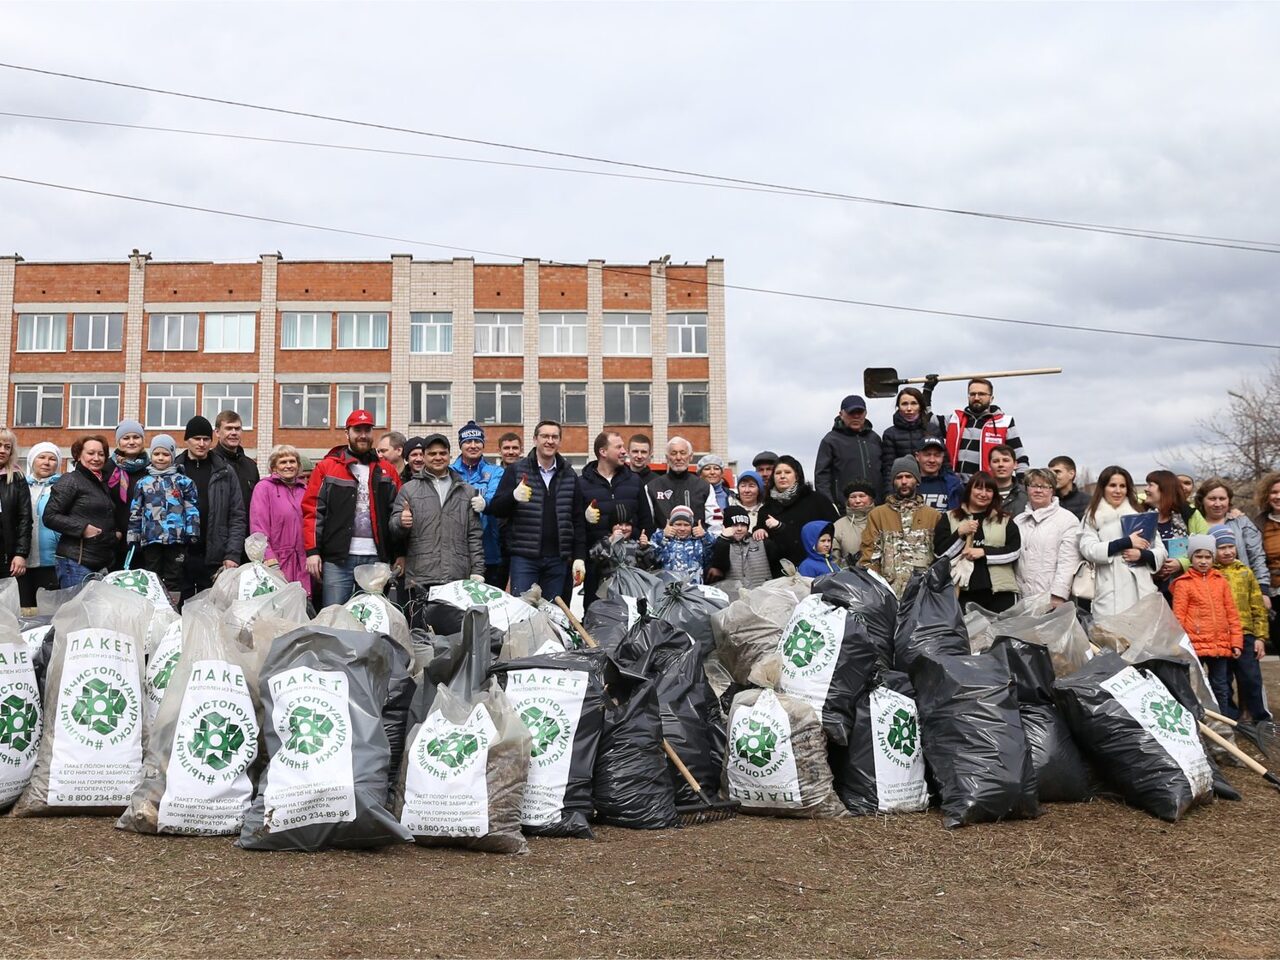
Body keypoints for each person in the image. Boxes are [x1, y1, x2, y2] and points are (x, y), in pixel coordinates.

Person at [303, 409, 404, 608]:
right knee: (334, 616)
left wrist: (400, 553)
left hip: (377, 558)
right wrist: (312, 551)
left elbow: (397, 514)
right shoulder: (327, 467)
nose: (363, 435)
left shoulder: (387, 470)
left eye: (367, 430)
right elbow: (313, 511)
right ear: (347, 433)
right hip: (338, 560)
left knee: (370, 618)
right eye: (357, 430)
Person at [485, 419, 585, 601]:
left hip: (558, 560)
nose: (550, 441)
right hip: (524, 559)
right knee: (523, 615)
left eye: (555, 437)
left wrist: (579, 556)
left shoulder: (569, 474)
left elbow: (577, 519)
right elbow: (496, 508)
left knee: (554, 616)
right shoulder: (516, 470)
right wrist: (513, 497)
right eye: (545, 436)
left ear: (560, 441)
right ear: (535, 439)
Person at [392, 433, 484, 592]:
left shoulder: (467, 491)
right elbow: (393, 530)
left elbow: (474, 535)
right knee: (419, 618)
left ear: (450, 455)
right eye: (432, 453)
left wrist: (478, 571)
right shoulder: (409, 489)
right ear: (425, 457)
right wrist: (400, 521)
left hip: (457, 577)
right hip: (420, 577)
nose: (438, 457)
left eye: (442, 453)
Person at [1078, 465, 1166, 617]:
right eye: (1112, 485)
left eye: (1122, 486)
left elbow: (1161, 551)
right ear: (1103, 488)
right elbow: (1089, 549)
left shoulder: (1140, 515)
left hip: (1141, 592)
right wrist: (1126, 542)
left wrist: (1142, 555)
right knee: (1109, 639)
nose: (1118, 491)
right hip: (1109, 594)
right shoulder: (1092, 517)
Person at [176, 415, 247, 600]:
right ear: (186, 440)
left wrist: (232, 554)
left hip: (215, 557)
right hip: (180, 557)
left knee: (214, 615)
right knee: (179, 614)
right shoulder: (174, 470)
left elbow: (237, 515)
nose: (201, 443)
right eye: (196, 439)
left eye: (206, 439)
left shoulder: (224, 471)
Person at [1171, 533, 1242, 714]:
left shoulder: (1221, 581)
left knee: (1221, 686)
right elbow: (1178, 616)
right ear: (1191, 557)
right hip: (1195, 645)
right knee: (1194, 687)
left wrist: (1236, 642)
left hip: (1219, 645)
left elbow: (1231, 613)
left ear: (1213, 557)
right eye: (1198, 556)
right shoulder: (1183, 584)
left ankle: (1223, 723)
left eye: (1207, 557)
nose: (1203, 561)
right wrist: (1179, 644)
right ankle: (1200, 723)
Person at [579, 431, 649, 610]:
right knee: (596, 613)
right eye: (618, 447)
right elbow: (575, 524)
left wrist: (634, 538)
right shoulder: (581, 484)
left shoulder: (634, 481)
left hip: (631, 564)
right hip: (597, 564)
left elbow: (645, 520)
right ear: (603, 452)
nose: (624, 451)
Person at [934, 471, 1022, 612]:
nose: (983, 494)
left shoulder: (1004, 520)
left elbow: (1014, 551)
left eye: (988, 490)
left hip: (1000, 592)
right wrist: (960, 534)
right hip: (962, 592)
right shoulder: (949, 517)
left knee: (1001, 633)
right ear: (969, 490)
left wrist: (983, 552)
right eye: (978, 488)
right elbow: (939, 555)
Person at [127, 435, 200, 606]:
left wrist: (193, 531)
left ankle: (172, 609)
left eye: (166, 454)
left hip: (176, 538)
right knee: (152, 575)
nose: (160, 458)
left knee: (174, 576)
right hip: (151, 538)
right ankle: (154, 606)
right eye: (157, 454)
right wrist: (133, 536)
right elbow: (135, 511)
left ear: (173, 456)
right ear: (151, 455)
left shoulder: (183, 482)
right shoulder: (143, 483)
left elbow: (191, 508)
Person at [1211, 525, 1271, 724]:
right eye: (1222, 548)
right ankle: (1231, 716)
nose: (1227, 551)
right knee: (1222, 679)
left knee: (1251, 678)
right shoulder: (1210, 574)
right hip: (1220, 636)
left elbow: (1257, 607)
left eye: (1231, 546)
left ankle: (1260, 717)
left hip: (1245, 634)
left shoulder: (1245, 573)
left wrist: (1260, 637)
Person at [42, 435, 118, 588]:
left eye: (101, 454)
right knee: (75, 611)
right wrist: (82, 529)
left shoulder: (101, 483)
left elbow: (100, 514)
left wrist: (114, 532)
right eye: (91, 453)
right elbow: (50, 516)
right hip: (76, 562)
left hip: (99, 562)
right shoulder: (70, 480)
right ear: (78, 455)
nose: (96, 458)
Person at [861, 457, 941, 597]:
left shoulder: (933, 516)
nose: (904, 481)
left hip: (924, 596)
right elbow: (869, 557)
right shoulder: (878, 515)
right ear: (893, 481)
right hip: (888, 595)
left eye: (909, 476)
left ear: (917, 480)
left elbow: (940, 559)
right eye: (899, 477)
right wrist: (878, 592)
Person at [1195, 478, 1271, 611]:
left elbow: (1257, 557)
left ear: (1229, 500)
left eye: (1222, 498)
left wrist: (1263, 590)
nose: (1217, 504)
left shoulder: (1241, 522)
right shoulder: (1194, 524)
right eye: (1212, 498)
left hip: (1242, 594)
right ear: (1202, 500)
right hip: (1206, 596)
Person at [249, 444, 311, 599]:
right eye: (283, 462)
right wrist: (270, 561)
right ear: (273, 467)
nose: (288, 465)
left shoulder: (305, 490)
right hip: (277, 561)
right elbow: (258, 529)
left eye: (292, 461)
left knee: (302, 609)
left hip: (303, 563)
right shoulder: (264, 488)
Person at [754, 455, 840, 567]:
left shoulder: (817, 500)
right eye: (778, 473)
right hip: (781, 571)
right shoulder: (766, 509)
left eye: (787, 472)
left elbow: (835, 529)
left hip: (815, 568)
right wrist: (758, 530)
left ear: (797, 476)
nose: (782, 476)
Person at [1013, 467, 1081, 608]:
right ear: (1027, 489)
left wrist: (1058, 595)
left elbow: (1068, 562)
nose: (1038, 490)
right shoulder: (1018, 521)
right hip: (1020, 599)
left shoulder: (1067, 520)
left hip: (1051, 599)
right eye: (1033, 486)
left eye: (1044, 486)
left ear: (1052, 490)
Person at [451, 420, 506, 586]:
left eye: (477, 441)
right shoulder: (449, 472)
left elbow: (494, 498)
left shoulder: (495, 471)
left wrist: (485, 503)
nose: (473, 446)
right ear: (461, 445)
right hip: (455, 549)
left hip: (487, 547)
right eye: (468, 442)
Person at [945, 378, 1028, 477]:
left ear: (991, 398)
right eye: (972, 394)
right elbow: (925, 418)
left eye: (981, 394)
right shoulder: (954, 419)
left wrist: (1021, 484)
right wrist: (928, 390)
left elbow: (1020, 457)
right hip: (954, 486)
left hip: (986, 487)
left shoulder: (1004, 422)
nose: (976, 398)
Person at [1145, 469, 1209, 597]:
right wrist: (1152, 570)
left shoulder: (1190, 515)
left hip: (1184, 591)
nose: (1146, 489)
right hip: (1149, 592)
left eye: (1150, 485)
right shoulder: (1141, 517)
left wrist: (1181, 563)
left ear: (1164, 489)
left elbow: (1207, 550)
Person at [815, 393, 883, 506]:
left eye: (859, 412)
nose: (856, 416)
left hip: (875, 507)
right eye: (851, 412)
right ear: (841, 414)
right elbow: (821, 477)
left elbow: (884, 471)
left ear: (865, 413)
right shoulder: (830, 440)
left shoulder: (875, 439)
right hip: (844, 509)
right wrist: (829, 504)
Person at [879, 382, 945, 490]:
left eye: (914, 403)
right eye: (904, 404)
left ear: (920, 406)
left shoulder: (932, 429)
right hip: (903, 488)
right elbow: (888, 469)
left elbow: (944, 461)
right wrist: (889, 493)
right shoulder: (890, 434)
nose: (909, 408)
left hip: (931, 485)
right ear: (898, 407)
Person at [19, 441, 61, 607]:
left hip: (52, 560)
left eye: (52, 459)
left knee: (49, 609)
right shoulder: (20, 486)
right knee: (25, 608)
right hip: (22, 561)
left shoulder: (62, 487)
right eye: (41, 457)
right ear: (32, 461)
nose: (46, 462)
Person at [645, 436, 714, 531]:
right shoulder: (652, 487)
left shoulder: (705, 487)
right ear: (667, 458)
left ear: (690, 457)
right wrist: (660, 535)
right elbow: (647, 523)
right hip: (663, 544)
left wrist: (707, 536)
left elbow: (715, 522)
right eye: (673, 453)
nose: (678, 458)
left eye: (683, 453)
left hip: (698, 544)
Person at [708, 504, 782, 588]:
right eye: (735, 525)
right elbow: (719, 566)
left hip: (763, 596)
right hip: (734, 597)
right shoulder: (720, 543)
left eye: (743, 525)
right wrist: (723, 540)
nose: (739, 529)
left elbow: (782, 558)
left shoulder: (762, 542)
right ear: (725, 527)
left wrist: (778, 528)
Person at [587, 505, 654, 596]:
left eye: (627, 525)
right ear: (611, 526)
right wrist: (610, 540)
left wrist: (645, 547)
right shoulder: (605, 542)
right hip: (609, 591)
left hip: (633, 591)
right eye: (619, 525)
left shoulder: (635, 545)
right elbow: (594, 557)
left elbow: (649, 566)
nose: (623, 528)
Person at [107, 418, 148, 566]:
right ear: (119, 441)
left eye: (136, 437)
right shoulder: (107, 468)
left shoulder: (151, 469)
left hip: (144, 543)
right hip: (114, 542)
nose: (131, 442)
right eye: (126, 438)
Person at [645, 504, 716, 585]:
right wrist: (662, 537)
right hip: (667, 590)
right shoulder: (661, 538)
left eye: (686, 525)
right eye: (678, 524)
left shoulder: (698, 541)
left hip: (694, 590)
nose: (682, 529)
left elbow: (712, 556)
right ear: (671, 525)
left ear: (691, 526)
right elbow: (651, 560)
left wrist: (705, 536)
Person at [0, 429, 32, 592]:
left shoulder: (17, 478)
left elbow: (25, 519)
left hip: (6, 556)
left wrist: (21, 554)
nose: (2, 451)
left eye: (7, 447)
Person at [213, 411, 260, 513]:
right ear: (217, 432)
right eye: (229, 428)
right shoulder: (210, 462)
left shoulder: (251, 466)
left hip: (247, 528)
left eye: (237, 429)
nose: (234, 433)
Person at [1254, 471, 1280, 617]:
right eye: (1273, 492)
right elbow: (1258, 560)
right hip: (1274, 592)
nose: (1278, 497)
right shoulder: (1260, 524)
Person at [915, 437, 964, 512]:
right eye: (927, 455)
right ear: (917, 457)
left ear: (943, 457)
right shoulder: (908, 484)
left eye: (937, 455)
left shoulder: (954, 485)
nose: (932, 460)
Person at [832, 481, 874, 568]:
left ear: (871, 499)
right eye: (853, 497)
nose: (857, 501)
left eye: (862, 496)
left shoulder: (880, 520)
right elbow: (834, 561)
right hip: (850, 577)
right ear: (848, 501)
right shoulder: (838, 526)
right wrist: (848, 563)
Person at [989, 444, 1027, 517]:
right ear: (989, 466)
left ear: (1015, 465)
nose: (1001, 464)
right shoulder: (981, 495)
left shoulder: (1027, 494)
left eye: (1006, 460)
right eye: (996, 461)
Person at [698, 454, 732, 535]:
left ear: (722, 473)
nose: (712, 472)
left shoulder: (732, 496)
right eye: (707, 469)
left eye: (716, 469)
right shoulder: (693, 495)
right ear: (700, 473)